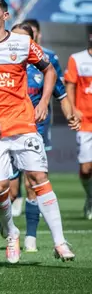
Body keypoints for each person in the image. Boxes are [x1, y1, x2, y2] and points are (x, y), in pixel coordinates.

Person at [0, 0, 75, 264]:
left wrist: (43, 101)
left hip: (22, 123)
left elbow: (49, 70)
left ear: (5, 15)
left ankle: (59, 242)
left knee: (39, 177)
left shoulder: (22, 43)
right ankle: (11, 231)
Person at [8, 23, 80, 252]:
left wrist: (70, 116)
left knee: (34, 181)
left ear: (32, 41)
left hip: (35, 130)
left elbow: (61, 93)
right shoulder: (2, 62)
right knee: (10, 190)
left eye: (23, 38)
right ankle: (6, 221)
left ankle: (31, 236)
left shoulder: (44, 64)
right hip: (7, 131)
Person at [64, 31, 92, 220]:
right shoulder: (77, 59)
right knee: (86, 169)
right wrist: (73, 109)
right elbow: (70, 86)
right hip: (86, 122)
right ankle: (90, 197)